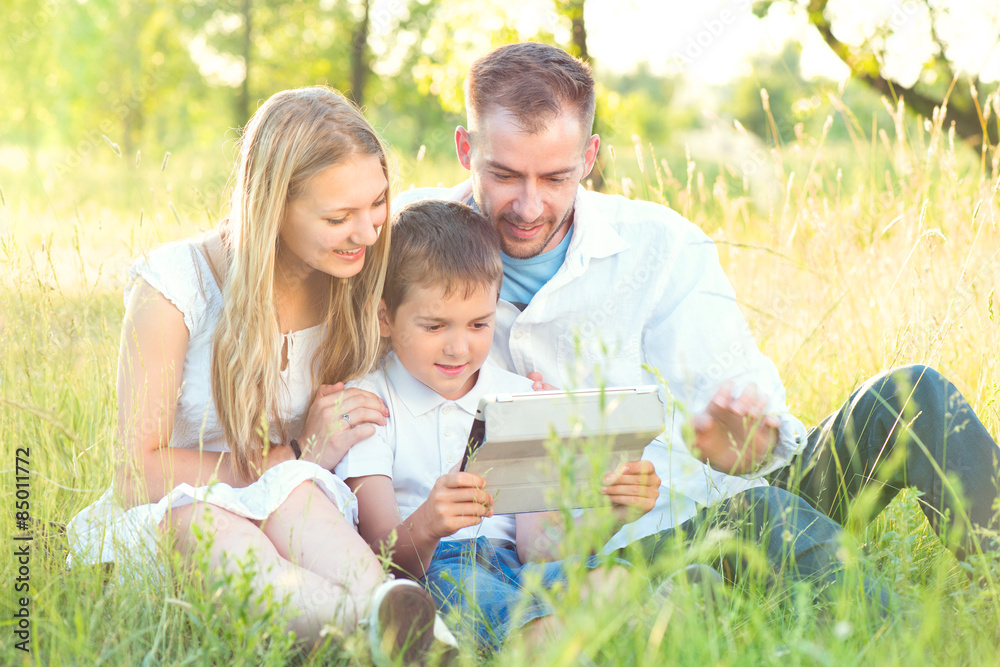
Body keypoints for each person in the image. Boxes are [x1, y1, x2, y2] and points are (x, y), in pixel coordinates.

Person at [395, 43, 1000, 590]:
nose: (529, 206)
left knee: (912, 394)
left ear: (590, 157)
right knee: (762, 517)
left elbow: (756, 433)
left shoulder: (659, 244)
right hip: (612, 546)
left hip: (713, 490)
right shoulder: (405, 245)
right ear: (465, 149)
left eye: (555, 177)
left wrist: (741, 442)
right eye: (504, 175)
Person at [67, 86, 455, 665]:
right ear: (272, 207)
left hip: (292, 492)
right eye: (339, 216)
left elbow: (453, 309)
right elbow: (134, 469)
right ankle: (381, 631)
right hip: (173, 509)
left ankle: (397, 619)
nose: (370, 232)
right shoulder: (175, 289)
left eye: (377, 204)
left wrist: (521, 384)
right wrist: (296, 451)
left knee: (302, 500)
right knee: (221, 525)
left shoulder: (355, 276)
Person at [335, 200, 661, 651]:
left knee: (613, 578)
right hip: (442, 569)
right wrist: (430, 522)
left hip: (517, 566)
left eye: (479, 324)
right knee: (519, 617)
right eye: (434, 326)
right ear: (384, 316)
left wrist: (614, 514)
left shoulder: (518, 397)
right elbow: (381, 559)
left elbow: (541, 550)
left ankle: (608, 627)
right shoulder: (368, 404)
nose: (458, 347)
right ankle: (569, 639)